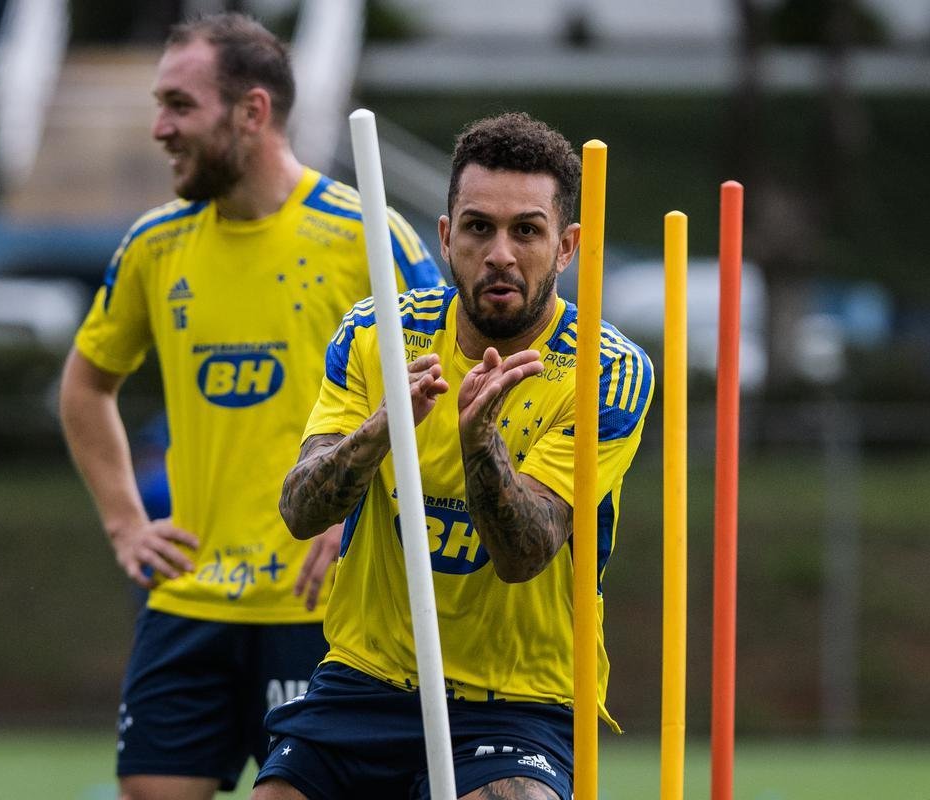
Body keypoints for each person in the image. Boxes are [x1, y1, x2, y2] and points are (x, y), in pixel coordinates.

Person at [58, 13, 443, 800]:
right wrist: (126, 523)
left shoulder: (366, 237)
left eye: (180, 105)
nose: (159, 127)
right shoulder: (153, 246)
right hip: (190, 599)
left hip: (323, 612)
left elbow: (441, 396)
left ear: (253, 112)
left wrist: (361, 512)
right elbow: (85, 385)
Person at [253, 112, 654, 800]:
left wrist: (480, 446)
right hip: (367, 676)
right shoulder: (376, 335)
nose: (501, 252)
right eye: (478, 228)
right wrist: (382, 430)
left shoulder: (605, 372)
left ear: (567, 247)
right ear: (445, 237)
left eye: (526, 230)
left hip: (521, 696)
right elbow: (299, 509)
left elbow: (525, 552)